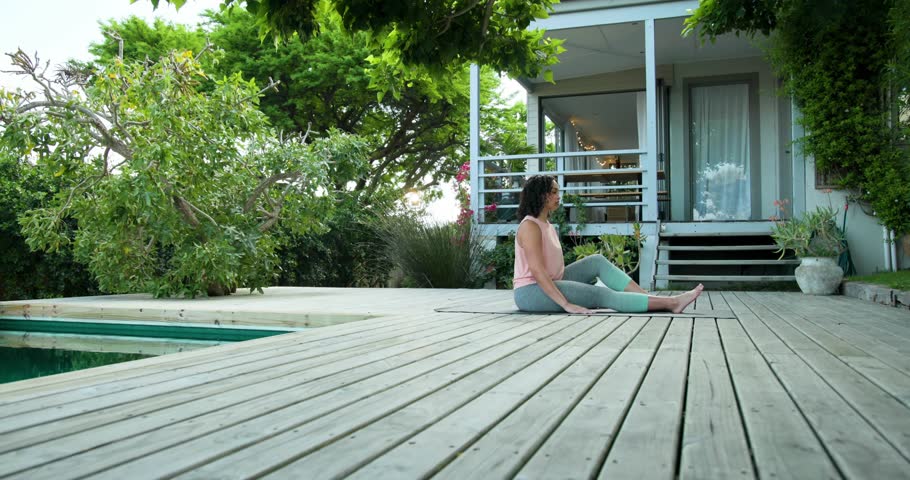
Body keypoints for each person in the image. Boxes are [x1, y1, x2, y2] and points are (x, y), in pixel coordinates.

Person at [513, 174, 703, 314]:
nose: (558, 196)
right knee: (600, 294)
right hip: (531, 292)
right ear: (540, 195)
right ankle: (671, 303)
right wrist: (567, 304)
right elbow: (537, 272)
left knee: (596, 261)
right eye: (553, 192)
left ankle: (646, 298)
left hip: (553, 281)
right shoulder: (531, 227)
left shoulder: (546, 224)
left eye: (558, 192)